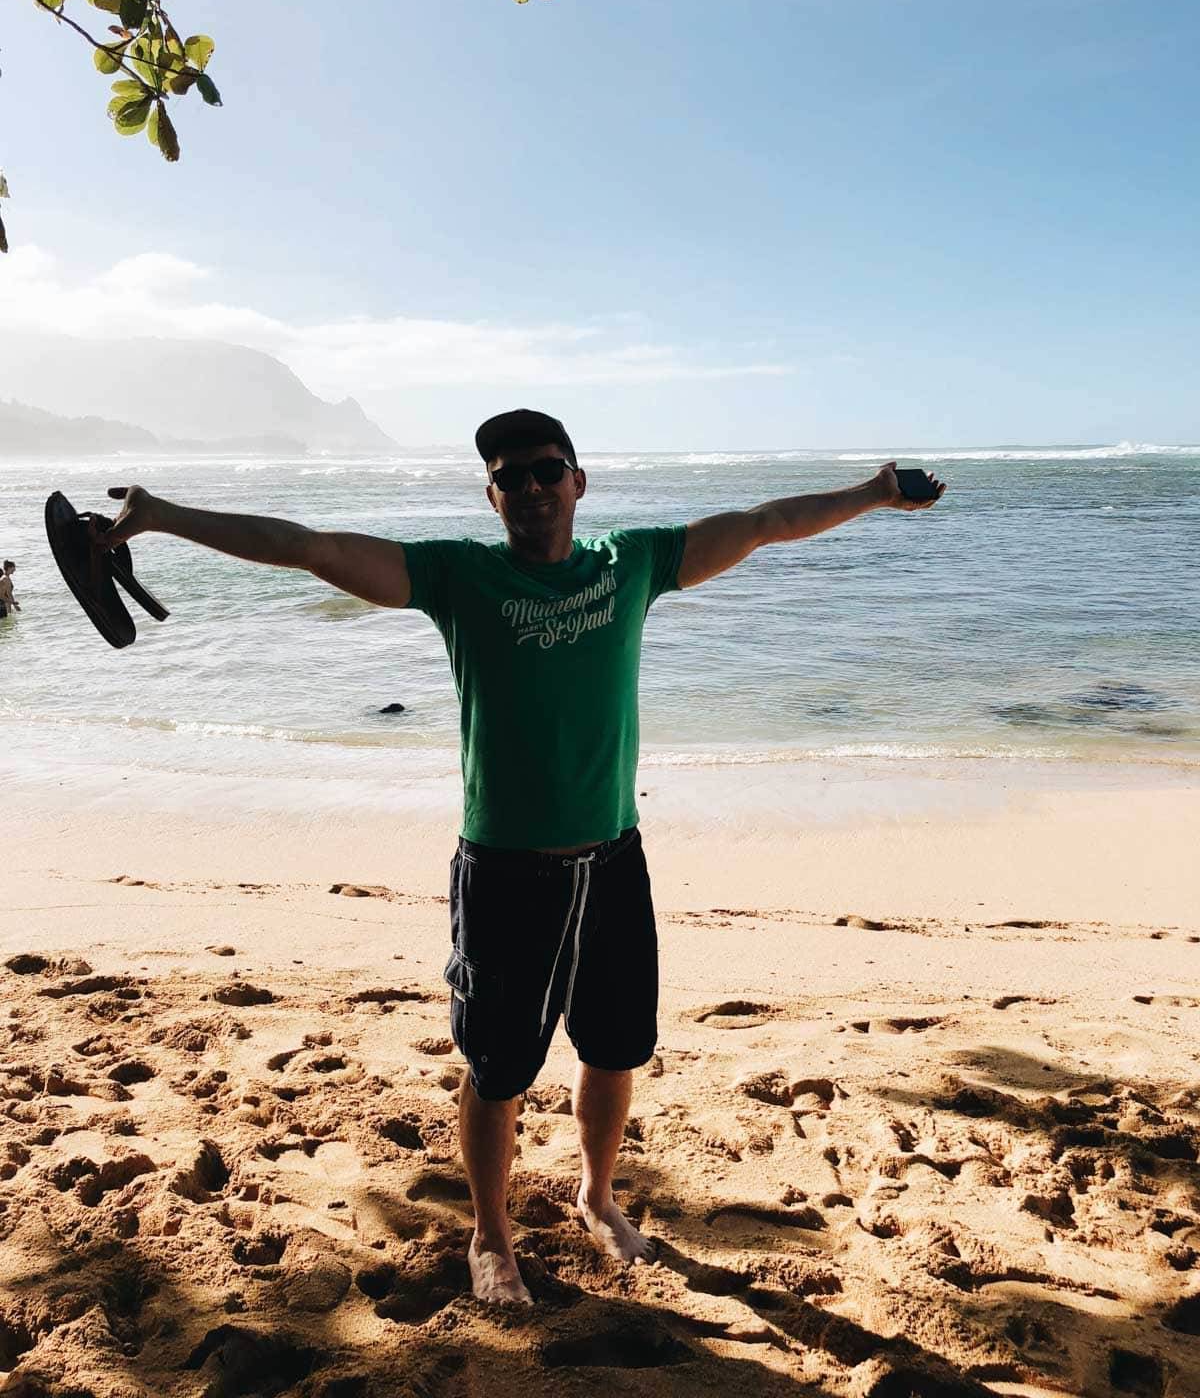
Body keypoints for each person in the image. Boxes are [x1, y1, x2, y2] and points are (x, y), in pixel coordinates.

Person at [96, 410, 945, 1305]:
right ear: (492, 494)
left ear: (579, 482)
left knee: (615, 1049)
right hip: (505, 870)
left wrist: (873, 494)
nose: (534, 489)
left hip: (614, 861)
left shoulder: (635, 565)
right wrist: (161, 515)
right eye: (514, 477)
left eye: (549, 471)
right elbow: (309, 546)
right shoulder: (459, 576)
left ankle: (596, 1196)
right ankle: (491, 1237)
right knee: (499, 1066)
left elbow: (766, 523)